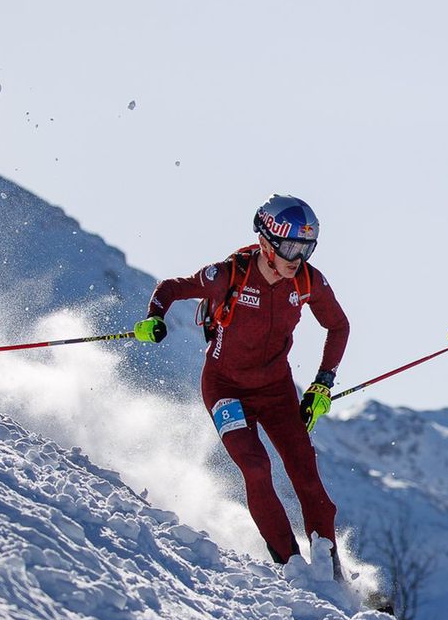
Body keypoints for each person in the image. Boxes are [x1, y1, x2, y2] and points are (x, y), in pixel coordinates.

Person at [135, 194, 350, 577]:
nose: (296, 258)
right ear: (266, 241)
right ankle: (293, 567)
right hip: (224, 388)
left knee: (306, 473)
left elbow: (338, 326)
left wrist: (322, 384)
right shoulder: (229, 275)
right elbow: (170, 287)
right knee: (255, 466)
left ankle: (329, 570)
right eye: (289, 247)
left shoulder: (306, 281)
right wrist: (154, 317)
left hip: (276, 390)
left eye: (307, 248)